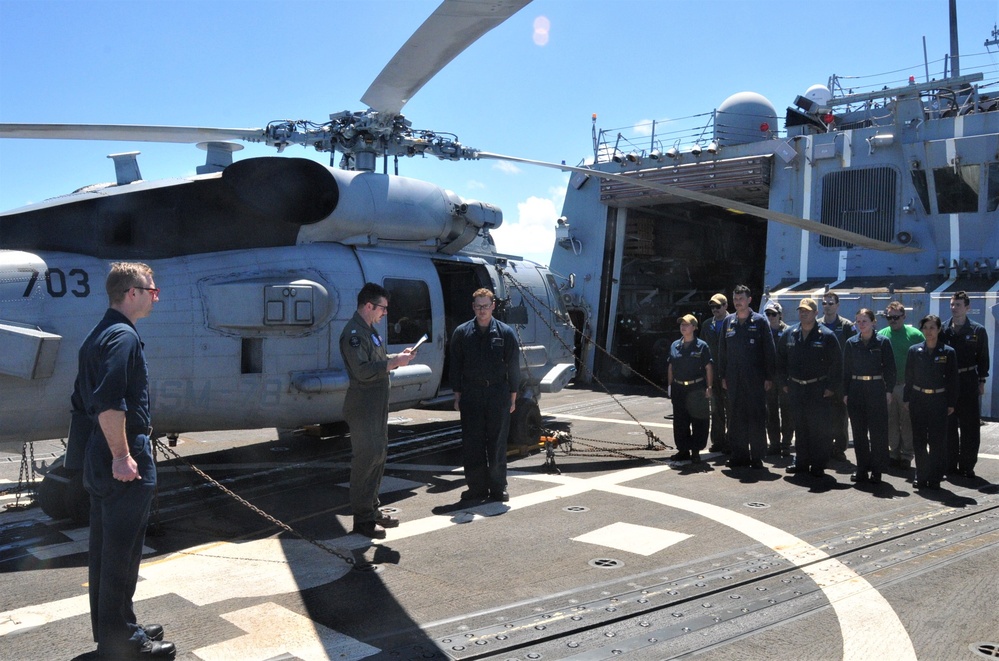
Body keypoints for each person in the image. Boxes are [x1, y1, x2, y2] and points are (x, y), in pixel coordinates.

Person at [67, 262, 176, 659]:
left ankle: (116, 626)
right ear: (132, 293)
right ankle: (123, 643)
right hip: (121, 455)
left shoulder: (97, 335)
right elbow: (110, 403)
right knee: (122, 552)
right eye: (152, 290)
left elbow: (81, 402)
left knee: (106, 549)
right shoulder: (123, 338)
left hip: (100, 453)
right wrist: (123, 456)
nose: (155, 296)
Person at [340, 282, 417, 539]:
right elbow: (362, 370)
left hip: (376, 405)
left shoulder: (369, 331)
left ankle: (372, 510)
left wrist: (397, 356)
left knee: (377, 458)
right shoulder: (354, 333)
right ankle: (362, 521)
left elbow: (376, 361)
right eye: (383, 308)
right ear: (369, 305)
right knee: (365, 461)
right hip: (363, 407)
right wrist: (394, 362)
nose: (385, 313)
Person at [450, 288, 521, 502]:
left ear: (493, 307)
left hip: (497, 393)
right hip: (471, 393)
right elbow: (455, 365)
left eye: (486, 306)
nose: (482, 310)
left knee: (498, 442)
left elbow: (513, 366)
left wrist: (513, 395)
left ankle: (498, 488)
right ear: (473, 307)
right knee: (473, 443)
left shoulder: (505, 333)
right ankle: (477, 488)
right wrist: (457, 394)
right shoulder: (462, 333)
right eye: (478, 306)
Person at [777, 298, 842, 478]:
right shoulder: (789, 333)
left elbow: (837, 365)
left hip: (818, 389)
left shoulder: (827, 335)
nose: (803, 313)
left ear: (815, 313)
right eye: (800, 310)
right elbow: (780, 360)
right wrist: (783, 383)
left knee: (818, 429)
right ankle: (801, 461)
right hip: (796, 388)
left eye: (807, 310)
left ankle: (818, 463)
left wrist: (831, 388)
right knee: (800, 427)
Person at [717, 284, 776, 469]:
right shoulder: (729, 322)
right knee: (735, 417)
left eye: (741, 299)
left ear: (749, 300)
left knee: (756, 417)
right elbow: (722, 352)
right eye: (735, 299)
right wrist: (723, 376)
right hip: (734, 379)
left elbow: (769, 350)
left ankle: (757, 456)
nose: (737, 302)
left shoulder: (759, 321)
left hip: (755, 379)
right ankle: (738, 454)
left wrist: (769, 377)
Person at [904, 315, 958, 490]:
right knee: (919, 440)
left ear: (939, 329)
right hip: (918, 399)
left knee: (936, 441)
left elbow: (952, 379)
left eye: (932, 327)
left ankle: (934, 476)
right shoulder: (914, 350)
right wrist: (907, 399)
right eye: (925, 327)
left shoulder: (948, 352)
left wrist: (951, 403)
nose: (929, 331)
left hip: (938, 400)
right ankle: (921, 474)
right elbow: (909, 377)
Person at [842, 308, 896, 484]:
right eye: (858, 321)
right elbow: (846, 370)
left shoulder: (882, 342)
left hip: (876, 388)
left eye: (864, 321)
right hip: (856, 388)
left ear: (873, 322)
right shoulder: (851, 343)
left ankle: (877, 470)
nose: (861, 325)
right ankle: (862, 468)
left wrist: (889, 391)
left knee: (878, 432)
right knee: (859, 432)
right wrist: (845, 392)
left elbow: (890, 369)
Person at [942, 291, 990, 478]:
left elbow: (983, 358)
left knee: (970, 426)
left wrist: (982, 381)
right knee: (949, 425)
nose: (954, 308)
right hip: (949, 383)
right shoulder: (944, 330)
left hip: (969, 380)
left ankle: (967, 466)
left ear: (967, 307)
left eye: (958, 305)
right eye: (952, 304)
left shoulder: (978, 331)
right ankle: (950, 465)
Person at [878, 302, 924, 470]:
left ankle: (906, 455)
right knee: (890, 421)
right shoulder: (882, 335)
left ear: (904, 317)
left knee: (906, 422)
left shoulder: (915, 335)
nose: (893, 320)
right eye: (889, 317)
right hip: (888, 387)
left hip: (906, 386)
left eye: (896, 317)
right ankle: (893, 453)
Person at [667, 314, 713, 464]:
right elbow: (671, 366)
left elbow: (708, 367)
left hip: (696, 387)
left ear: (694, 327)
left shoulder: (702, 346)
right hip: (679, 387)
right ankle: (683, 450)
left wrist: (709, 387)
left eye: (686, 324)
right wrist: (669, 385)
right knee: (680, 421)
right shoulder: (675, 345)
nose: (683, 327)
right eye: (681, 324)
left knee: (698, 420)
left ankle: (695, 451)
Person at [820, 292, 856, 462]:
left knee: (841, 415)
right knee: (824, 414)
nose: (827, 306)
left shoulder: (847, 326)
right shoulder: (817, 325)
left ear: (837, 305)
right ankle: (825, 446)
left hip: (841, 378)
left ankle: (840, 448)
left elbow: (853, 351)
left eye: (830, 303)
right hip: (823, 378)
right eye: (824, 303)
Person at [763, 300, 793, 457]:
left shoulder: (788, 331)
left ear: (780, 314)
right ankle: (774, 443)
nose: (770, 317)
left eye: (773, 314)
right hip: (769, 378)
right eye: (767, 314)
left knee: (787, 412)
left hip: (784, 379)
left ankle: (786, 443)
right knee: (771, 412)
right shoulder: (763, 331)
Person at [701, 293, 730, 453]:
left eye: (718, 306)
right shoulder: (706, 325)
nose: (715, 310)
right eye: (712, 307)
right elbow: (702, 348)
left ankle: (732, 441)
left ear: (726, 306)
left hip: (729, 373)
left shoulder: (734, 322)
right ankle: (718, 441)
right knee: (716, 409)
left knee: (731, 409)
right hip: (713, 373)